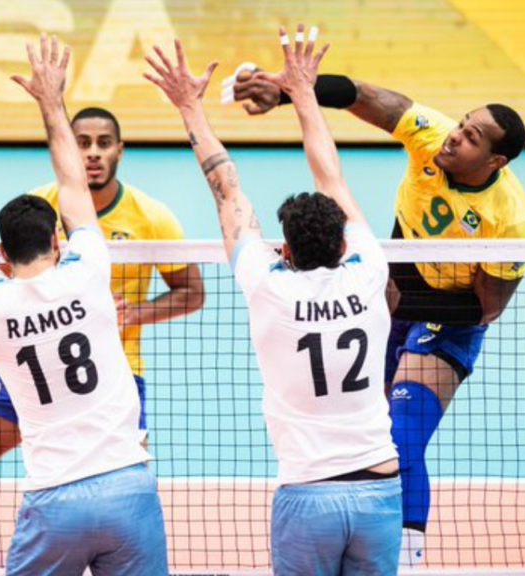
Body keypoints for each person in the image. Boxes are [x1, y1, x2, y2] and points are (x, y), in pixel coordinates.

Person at [230, 45, 525, 567]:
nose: (456, 135)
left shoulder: (510, 221)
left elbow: (487, 309)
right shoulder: (432, 136)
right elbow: (363, 96)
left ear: (495, 161)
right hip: (393, 297)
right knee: (363, 430)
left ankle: (409, 556)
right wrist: (286, 92)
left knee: (399, 437)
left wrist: (399, 299)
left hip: (449, 318)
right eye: (462, 124)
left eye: (472, 138)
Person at [145, 26, 402, 575]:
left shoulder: (268, 284)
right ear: (342, 241)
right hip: (380, 491)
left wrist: (190, 106)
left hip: (308, 495)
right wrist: (303, 91)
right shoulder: (368, 268)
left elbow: (227, 190)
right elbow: (328, 170)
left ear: (283, 249)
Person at [0, 34, 169, 576]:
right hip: (124, 485)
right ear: (58, 240)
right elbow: (72, 184)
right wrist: (51, 102)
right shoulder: (89, 269)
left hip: (53, 496)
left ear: (1, 257)